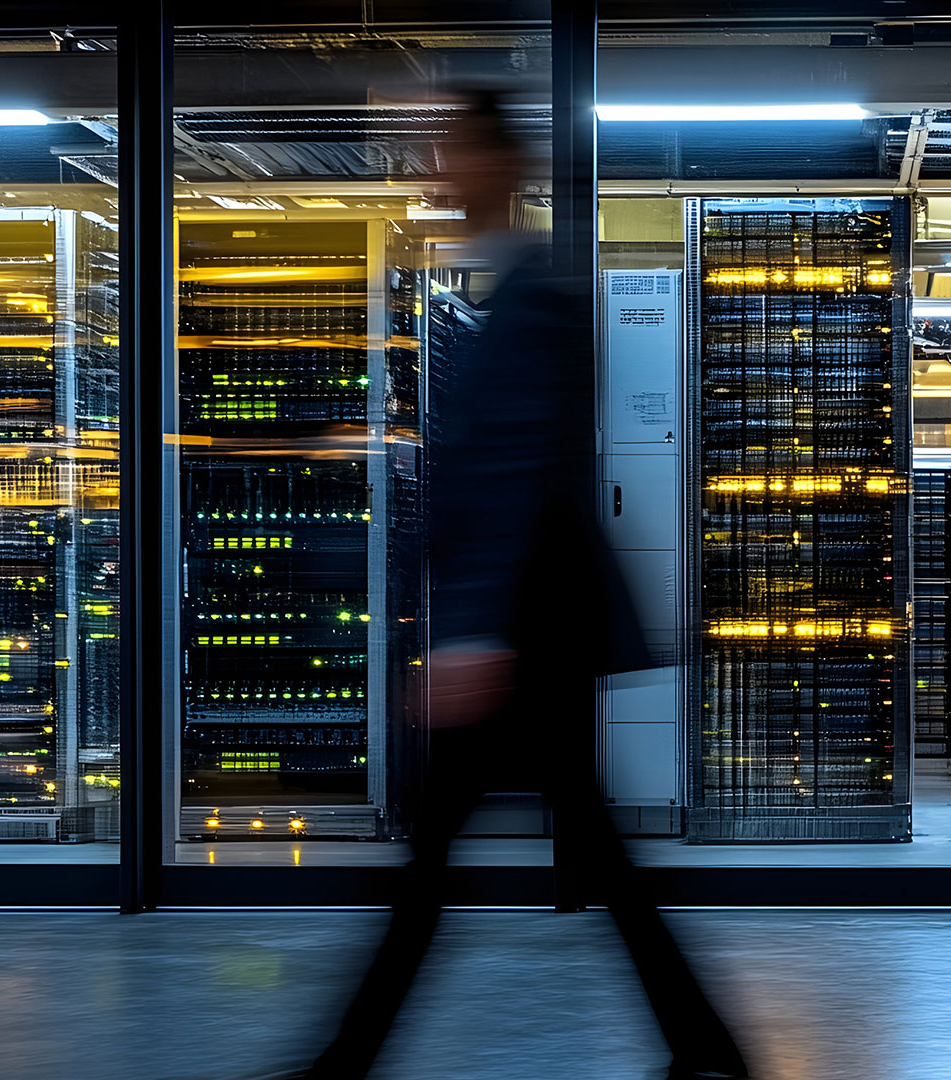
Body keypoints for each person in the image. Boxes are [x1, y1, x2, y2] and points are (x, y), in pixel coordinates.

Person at [266, 91, 749, 1080]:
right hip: (532, 634)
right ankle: (705, 1049)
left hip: (522, 636)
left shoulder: (539, 301)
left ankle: (343, 1061)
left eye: (447, 153)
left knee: (446, 865)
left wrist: (473, 635)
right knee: (576, 858)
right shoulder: (514, 295)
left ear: (499, 161)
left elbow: (518, 471)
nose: (437, 177)